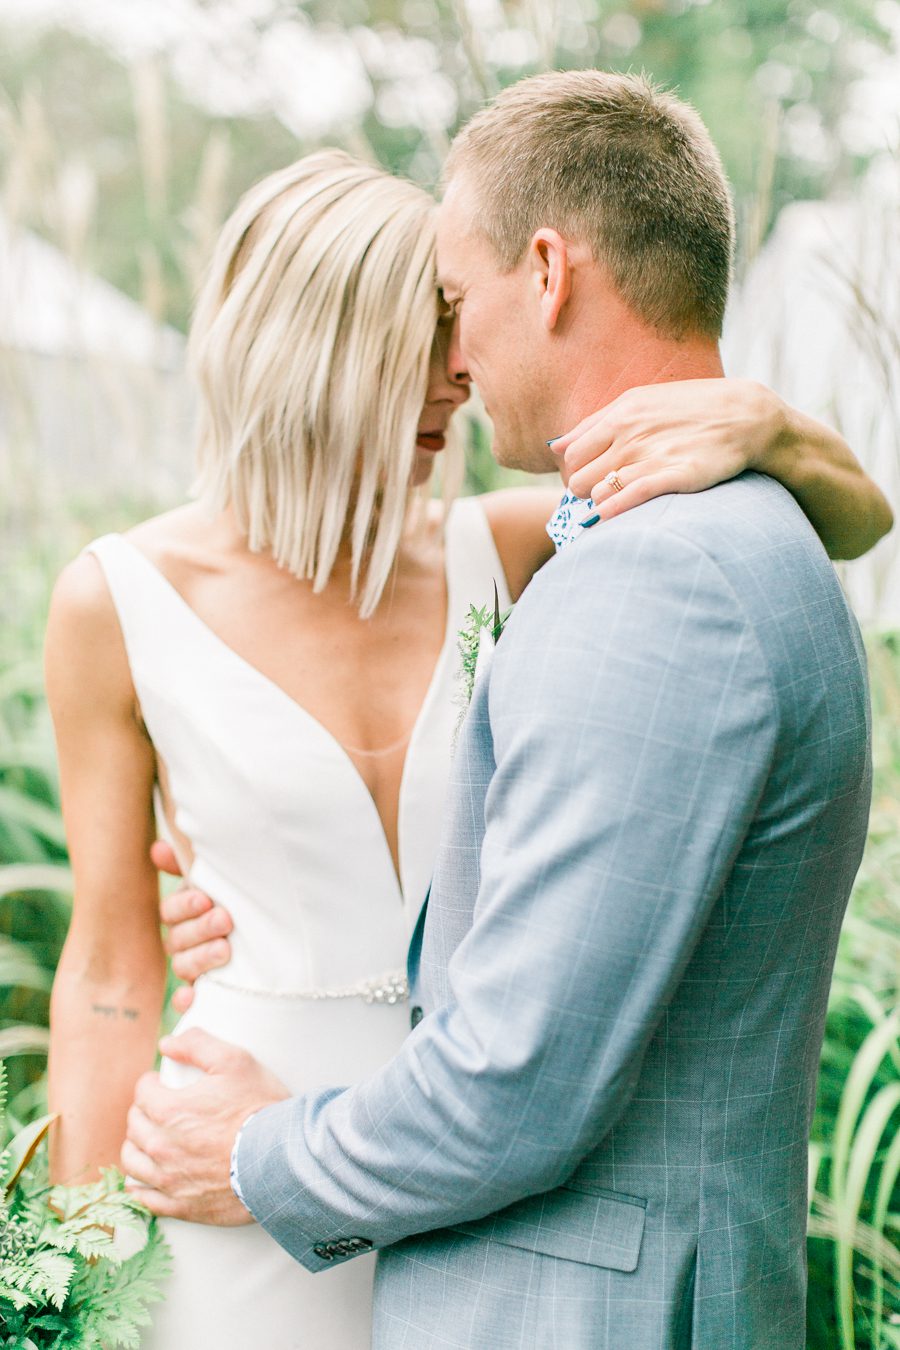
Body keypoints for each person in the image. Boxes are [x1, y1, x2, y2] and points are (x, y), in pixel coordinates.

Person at [50, 119, 882, 1349]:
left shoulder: (518, 539)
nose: (458, 368)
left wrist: (766, 425)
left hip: (449, 1185)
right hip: (235, 1157)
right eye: (425, 328)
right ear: (316, 352)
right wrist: (72, 1276)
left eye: (456, 318)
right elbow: (112, 972)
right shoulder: (115, 600)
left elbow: (846, 526)